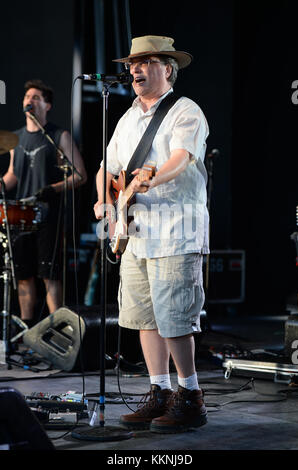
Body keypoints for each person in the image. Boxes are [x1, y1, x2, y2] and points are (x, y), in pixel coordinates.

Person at [94, 35, 209, 434]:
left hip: (177, 230)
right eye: (132, 64)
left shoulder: (184, 111)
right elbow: (105, 169)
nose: (135, 70)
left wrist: (153, 176)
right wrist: (103, 203)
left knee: (175, 318)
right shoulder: (125, 117)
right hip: (135, 233)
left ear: (168, 69)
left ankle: (190, 396)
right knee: (145, 317)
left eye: (145, 62)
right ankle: (159, 393)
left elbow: (181, 157)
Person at [2, 79, 87, 328]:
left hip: (49, 215)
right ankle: (27, 333)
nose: (30, 100)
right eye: (27, 96)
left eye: (37, 97)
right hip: (22, 215)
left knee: (49, 275)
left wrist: (53, 189)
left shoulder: (59, 136)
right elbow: (12, 175)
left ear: (47, 105)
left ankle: (57, 331)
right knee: (24, 276)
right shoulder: (15, 139)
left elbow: (80, 174)